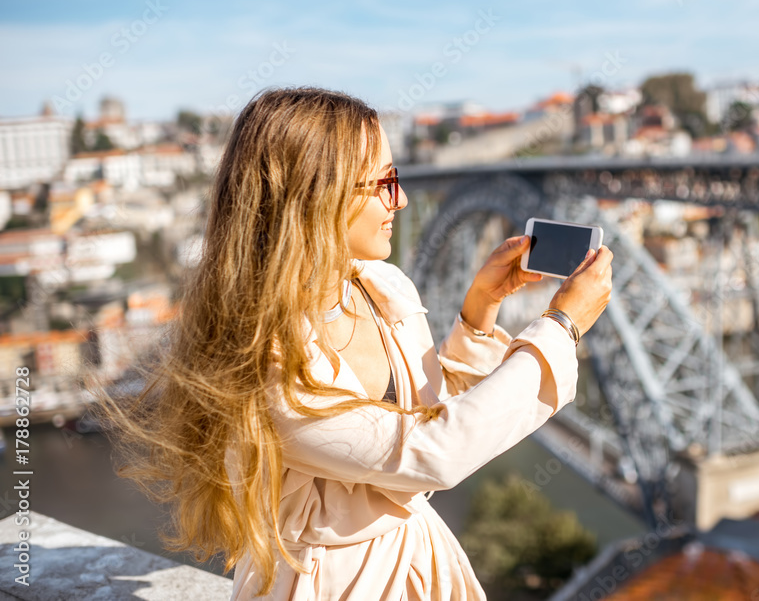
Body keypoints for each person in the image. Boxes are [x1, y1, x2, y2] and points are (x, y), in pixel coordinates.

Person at [93, 87, 613, 600]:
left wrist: (480, 311)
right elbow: (432, 454)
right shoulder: (267, 357)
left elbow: (428, 417)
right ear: (319, 194)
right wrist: (561, 326)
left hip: (420, 567)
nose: (402, 199)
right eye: (385, 182)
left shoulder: (383, 287)